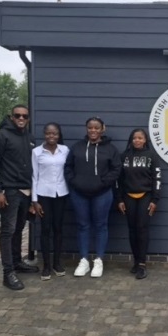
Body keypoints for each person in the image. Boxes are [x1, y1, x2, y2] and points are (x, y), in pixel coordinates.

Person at [0, 105, 38, 291]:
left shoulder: (30, 138)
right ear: (11, 117)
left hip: (26, 191)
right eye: (17, 115)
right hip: (9, 191)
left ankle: (17, 262)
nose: (21, 118)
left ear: (28, 118)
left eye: (24, 116)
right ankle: (7, 272)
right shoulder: (0, 136)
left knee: (19, 228)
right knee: (7, 231)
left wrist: (34, 194)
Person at [65, 116, 121, 278]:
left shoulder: (111, 149)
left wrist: (103, 183)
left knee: (100, 225)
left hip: (102, 193)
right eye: (90, 127)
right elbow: (68, 167)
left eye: (97, 128)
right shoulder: (77, 147)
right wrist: (75, 182)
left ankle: (99, 260)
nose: (93, 131)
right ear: (86, 129)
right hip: (79, 193)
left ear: (103, 128)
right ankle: (84, 260)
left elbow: (116, 170)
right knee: (83, 226)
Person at [117, 128, 162, 280]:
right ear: (131, 140)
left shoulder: (151, 156)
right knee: (132, 229)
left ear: (145, 140)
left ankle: (142, 264)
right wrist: (119, 199)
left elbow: (157, 178)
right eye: (134, 138)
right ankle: (135, 261)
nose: (137, 140)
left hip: (146, 196)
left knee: (142, 229)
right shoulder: (124, 156)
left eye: (140, 138)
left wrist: (155, 200)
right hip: (128, 196)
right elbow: (119, 180)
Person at [31, 122, 69, 281]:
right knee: (45, 230)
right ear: (44, 134)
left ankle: (57, 263)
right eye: (48, 133)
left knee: (58, 229)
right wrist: (34, 200)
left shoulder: (65, 150)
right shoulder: (37, 152)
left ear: (59, 135)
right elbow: (34, 176)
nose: (51, 136)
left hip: (61, 194)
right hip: (44, 195)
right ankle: (46, 265)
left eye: (54, 134)